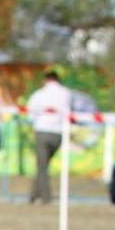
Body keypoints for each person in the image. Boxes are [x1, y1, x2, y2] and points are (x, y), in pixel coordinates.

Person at [25, 69, 71, 203]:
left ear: (46, 80)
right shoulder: (66, 94)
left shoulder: (39, 94)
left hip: (42, 131)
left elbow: (30, 114)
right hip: (58, 133)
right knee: (43, 166)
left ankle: (46, 197)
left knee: (42, 166)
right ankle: (33, 195)